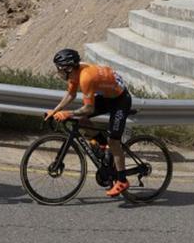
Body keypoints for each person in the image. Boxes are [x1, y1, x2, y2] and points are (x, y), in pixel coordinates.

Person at [46, 49, 133, 197]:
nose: (58, 72)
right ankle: (102, 144)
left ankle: (122, 181)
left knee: (114, 142)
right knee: (81, 119)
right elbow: (71, 95)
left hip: (120, 100)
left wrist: (68, 113)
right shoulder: (74, 73)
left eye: (59, 68)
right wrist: (55, 111)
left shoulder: (86, 77)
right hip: (107, 97)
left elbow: (88, 108)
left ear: (68, 68)